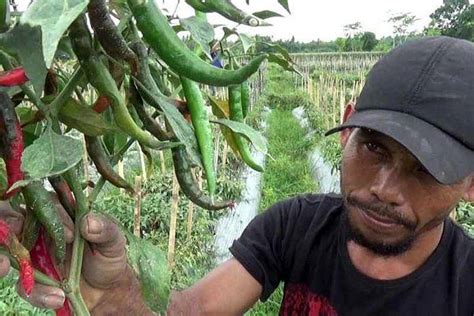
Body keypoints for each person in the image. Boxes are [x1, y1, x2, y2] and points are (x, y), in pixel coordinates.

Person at [1, 36, 473, 315]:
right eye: (373, 146)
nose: (385, 188)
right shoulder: (297, 226)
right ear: (345, 127)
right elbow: (193, 312)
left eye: (427, 169)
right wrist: (112, 293)